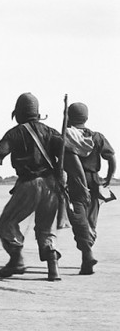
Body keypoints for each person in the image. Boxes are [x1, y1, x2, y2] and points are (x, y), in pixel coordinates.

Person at [0, 93, 63, 282]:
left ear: (17, 113)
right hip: (52, 186)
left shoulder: (15, 133)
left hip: (29, 184)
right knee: (45, 228)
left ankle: (16, 260)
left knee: (6, 223)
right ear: (37, 113)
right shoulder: (52, 132)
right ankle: (53, 269)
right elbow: (68, 158)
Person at [66, 102, 116, 274]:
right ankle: (87, 253)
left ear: (69, 117)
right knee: (91, 220)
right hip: (94, 181)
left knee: (79, 218)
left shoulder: (67, 136)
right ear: (86, 118)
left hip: (75, 182)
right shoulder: (97, 137)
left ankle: (87, 253)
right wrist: (108, 177)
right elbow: (111, 158)